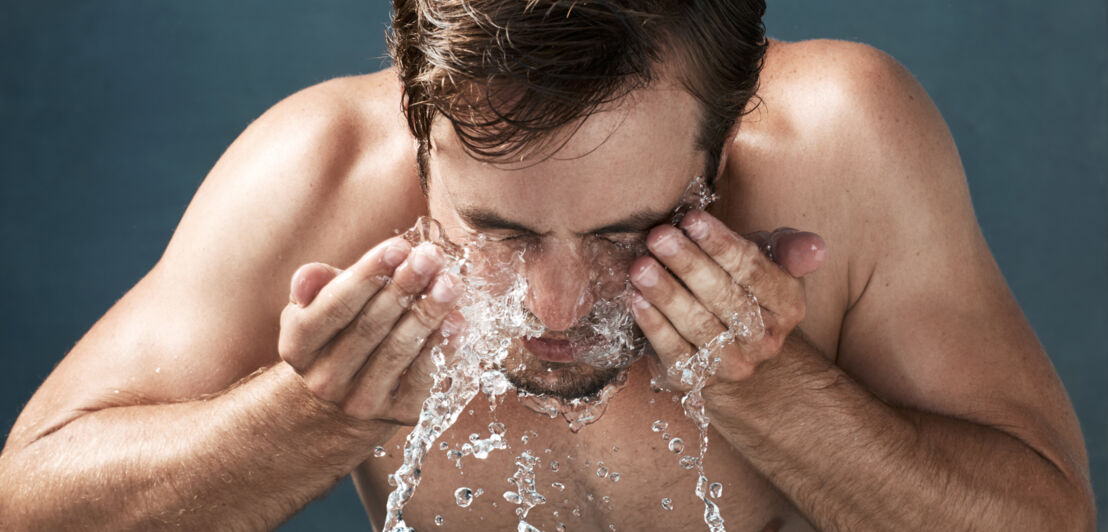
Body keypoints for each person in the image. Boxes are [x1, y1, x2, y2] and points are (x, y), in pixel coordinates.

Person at [0, 0, 1095, 530]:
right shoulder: (322, 172)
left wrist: (776, 393)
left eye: (630, 229)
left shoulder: (843, 145)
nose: (554, 307)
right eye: (500, 231)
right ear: (416, 131)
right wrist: (306, 419)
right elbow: (29, 508)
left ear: (727, 140)